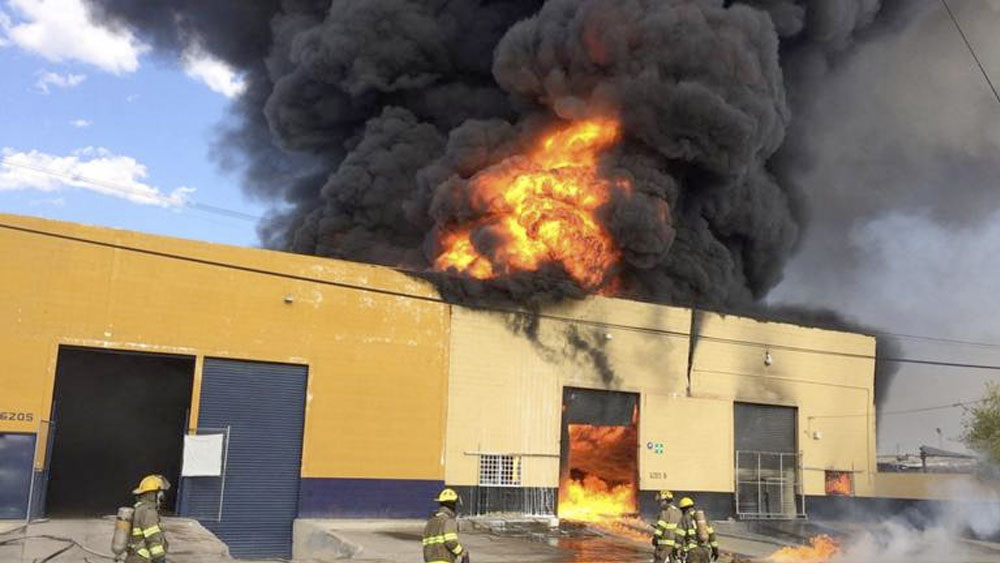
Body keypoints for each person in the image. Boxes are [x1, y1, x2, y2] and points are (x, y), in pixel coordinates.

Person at [125, 474, 170, 563]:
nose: (162, 495)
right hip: (142, 559)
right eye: (161, 492)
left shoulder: (141, 508)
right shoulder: (148, 512)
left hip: (135, 557)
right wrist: (160, 558)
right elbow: (153, 537)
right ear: (155, 494)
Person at [422, 488, 469, 563]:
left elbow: (425, 544)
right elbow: (450, 542)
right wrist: (462, 552)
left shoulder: (430, 522)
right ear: (452, 505)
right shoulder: (449, 521)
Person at [677, 497, 719, 563]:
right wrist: (715, 549)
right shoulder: (703, 518)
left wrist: (675, 548)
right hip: (705, 550)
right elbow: (711, 534)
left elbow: (679, 535)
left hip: (693, 552)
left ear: (684, 509)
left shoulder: (685, 518)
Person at [651, 490, 682, 562]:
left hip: (664, 543)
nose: (660, 503)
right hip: (675, 544)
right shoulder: (678, 511)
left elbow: (661, 526)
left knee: (658, 560)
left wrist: (655, 537)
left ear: (665, 501)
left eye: (661, 501)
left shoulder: (665, 511)